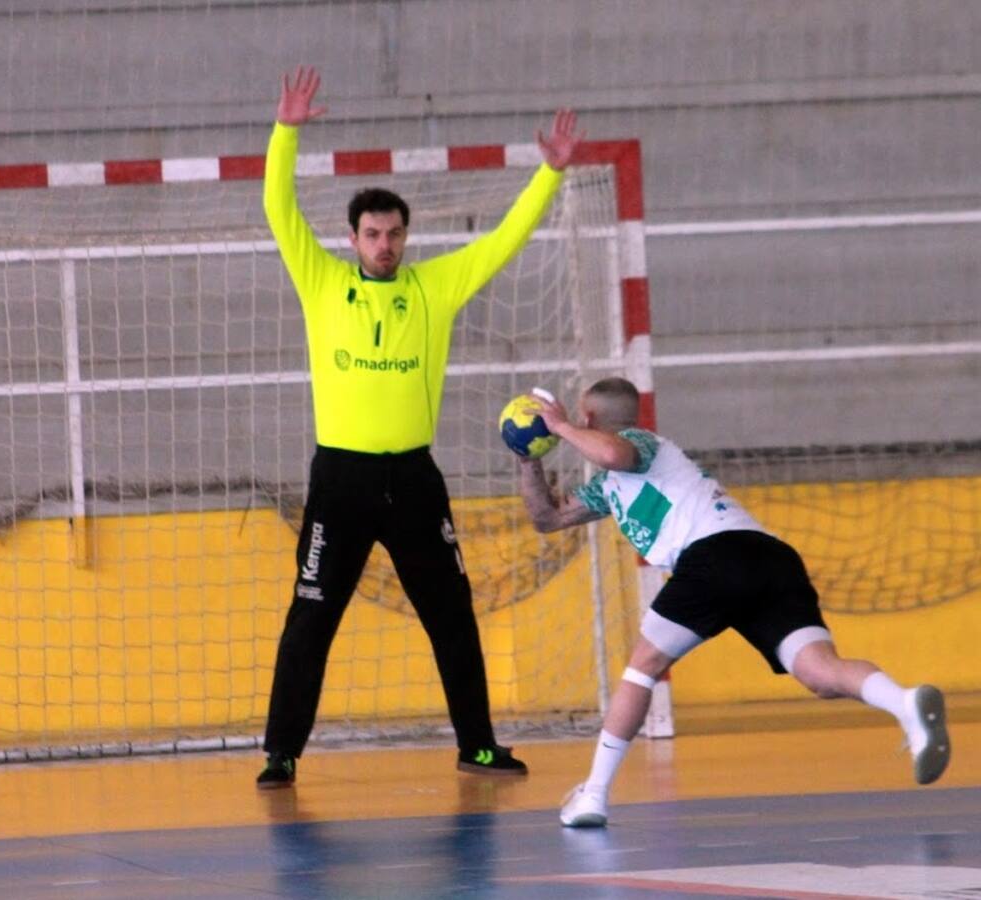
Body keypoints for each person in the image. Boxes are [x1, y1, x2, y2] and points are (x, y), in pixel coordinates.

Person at [256, 65, 585, 788]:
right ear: (352, 238)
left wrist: (549, 175)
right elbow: (278, 207)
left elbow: (503, 242)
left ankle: (479, 746)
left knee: (452, 614)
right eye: (373, 234)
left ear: (406, 237)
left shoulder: (434, 287)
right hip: (339, 480)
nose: (384, 244)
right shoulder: (321, 281)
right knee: (311, 615)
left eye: (394, 234)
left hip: (412, 480)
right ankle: (281, 752)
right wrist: (286, 132)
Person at [515, 377, 951, 827]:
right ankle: (905, 703)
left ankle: (593, 795)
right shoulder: (609, 487)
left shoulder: (640, 443)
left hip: (715, 556)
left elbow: (610, 453)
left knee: (642, 667)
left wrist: (560, 427)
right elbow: (547, 518)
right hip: (769, 558)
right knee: (820, 672)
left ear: (588, 416)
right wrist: (528, 457)